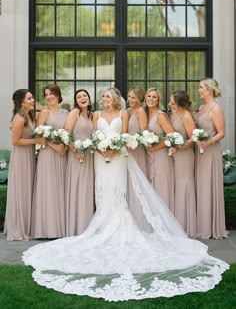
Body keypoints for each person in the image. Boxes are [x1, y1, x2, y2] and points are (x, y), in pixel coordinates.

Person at [23, 87, 229, 302]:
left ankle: (118, 226)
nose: (104, 99)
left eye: (107, 96)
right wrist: (100, 148)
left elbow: (125, 136)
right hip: (99, 158)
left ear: (114, 99)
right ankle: (102, 225)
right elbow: (94, 136)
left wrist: (114, 148)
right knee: (101, 191)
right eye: (102, 96)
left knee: (118, 191)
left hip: (118, 156)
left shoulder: (123, 114)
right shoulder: (96, 115)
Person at [4, 89, 45, 241]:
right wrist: (36, 141)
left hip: (29, 156)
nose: (33, 100)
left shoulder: (29, 115)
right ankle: (19, 228)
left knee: (28, 190)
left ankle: (27, 225)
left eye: (32, 97)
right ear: (22, 102)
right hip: (21, 158)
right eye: (29, 98)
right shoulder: (19, 118)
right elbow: (15, 141)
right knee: (21, 191)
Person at [31, 84, 68, 239]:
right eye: (46, 94)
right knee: (47, 188)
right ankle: (45, 229)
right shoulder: (44, 112)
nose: (49, 97)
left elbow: (69, 133)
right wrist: (53, 146)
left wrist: (65, 145)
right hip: (48, 153)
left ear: (58, 95)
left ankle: (59, 228)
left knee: (60, 188)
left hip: (62, 154)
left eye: (51, 93)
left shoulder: (66, 112)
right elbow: (38, 136)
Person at [195, 78, 228, 239]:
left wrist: (208, 142)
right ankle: (201, 224)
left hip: (210, 151)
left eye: (201, 87)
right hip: (199, 151)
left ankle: (211, 226)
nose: (199, 90)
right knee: (200, 185)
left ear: (209, 89)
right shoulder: (201, 107)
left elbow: (221, 132)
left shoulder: (215, 108)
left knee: (208, 185)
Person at [65, 89, 94, 236]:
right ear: (76, 101)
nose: (83, 98)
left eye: (85, 95)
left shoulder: (91, 115)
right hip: (76, 155)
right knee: (77, 187)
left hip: (89, 156)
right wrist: (74, 151)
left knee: (87, 189)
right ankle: (75, 227)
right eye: (79, 96)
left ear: (89, 98)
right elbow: (66, 133)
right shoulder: (74, 112)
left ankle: (87, 226)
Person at [169, 91, 197, 237]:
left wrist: (179, 146)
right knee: (178, 186)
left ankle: (186, 224)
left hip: (185, 155)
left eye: (172, 103)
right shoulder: (174, 114)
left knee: (184, 185)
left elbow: (193, 138)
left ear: (179, 104)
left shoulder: (186, 116)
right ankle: (178, 222)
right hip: (176, 155)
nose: (169, 104)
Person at [145, 88, 175, 212]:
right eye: (149, 96)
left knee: (161, 188)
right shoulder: (146, 115)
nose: (151, 99)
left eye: (154, 97)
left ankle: (165, 223)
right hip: (148, 155)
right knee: (151, 189)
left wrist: (156, 147)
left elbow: (172, 135)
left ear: (158, 100)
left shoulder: (160, 115)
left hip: (160, 156)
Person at [127, 86, 149, 229]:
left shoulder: (141, 111)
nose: (130, 100)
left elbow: (143, 133)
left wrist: (133, 142)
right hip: (127, 152)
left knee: (137, 184)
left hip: (137, 150)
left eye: (134, 97)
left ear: (140, 99)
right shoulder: (128, 111)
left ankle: (140, 220)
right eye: (129, 96)